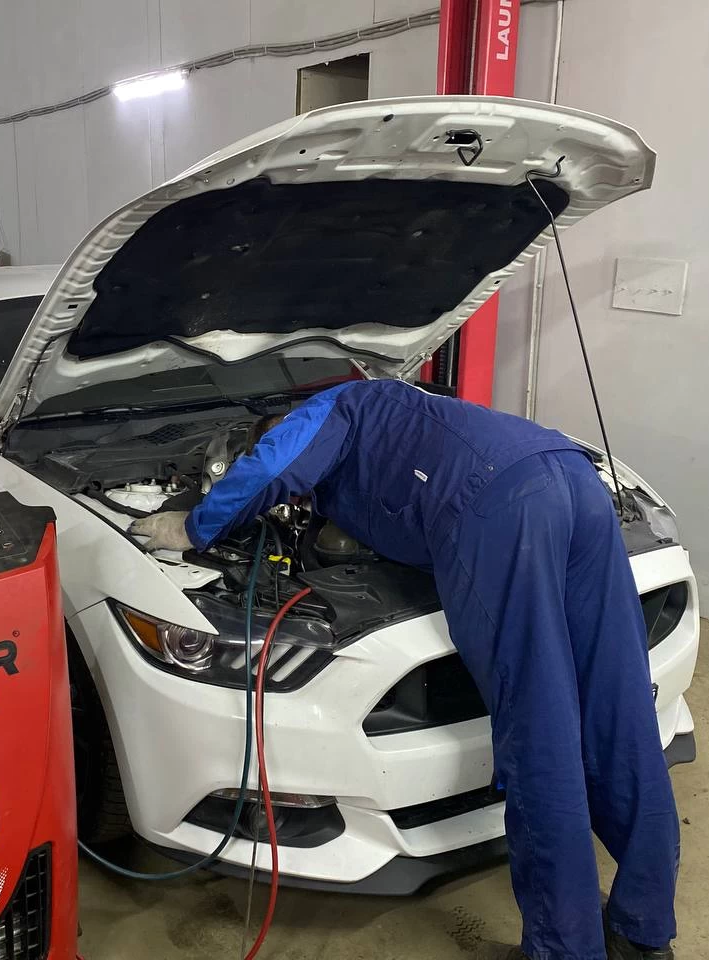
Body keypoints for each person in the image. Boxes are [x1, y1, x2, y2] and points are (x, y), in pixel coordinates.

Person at [130, 378, 678, 960]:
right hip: (573, 478)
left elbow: (271, 466)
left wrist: (191, 527)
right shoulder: (402, 410)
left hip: (503, 509)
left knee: (539, 727)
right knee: (619, 705)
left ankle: (564, 950)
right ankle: (643, 931)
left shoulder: (334, 406)